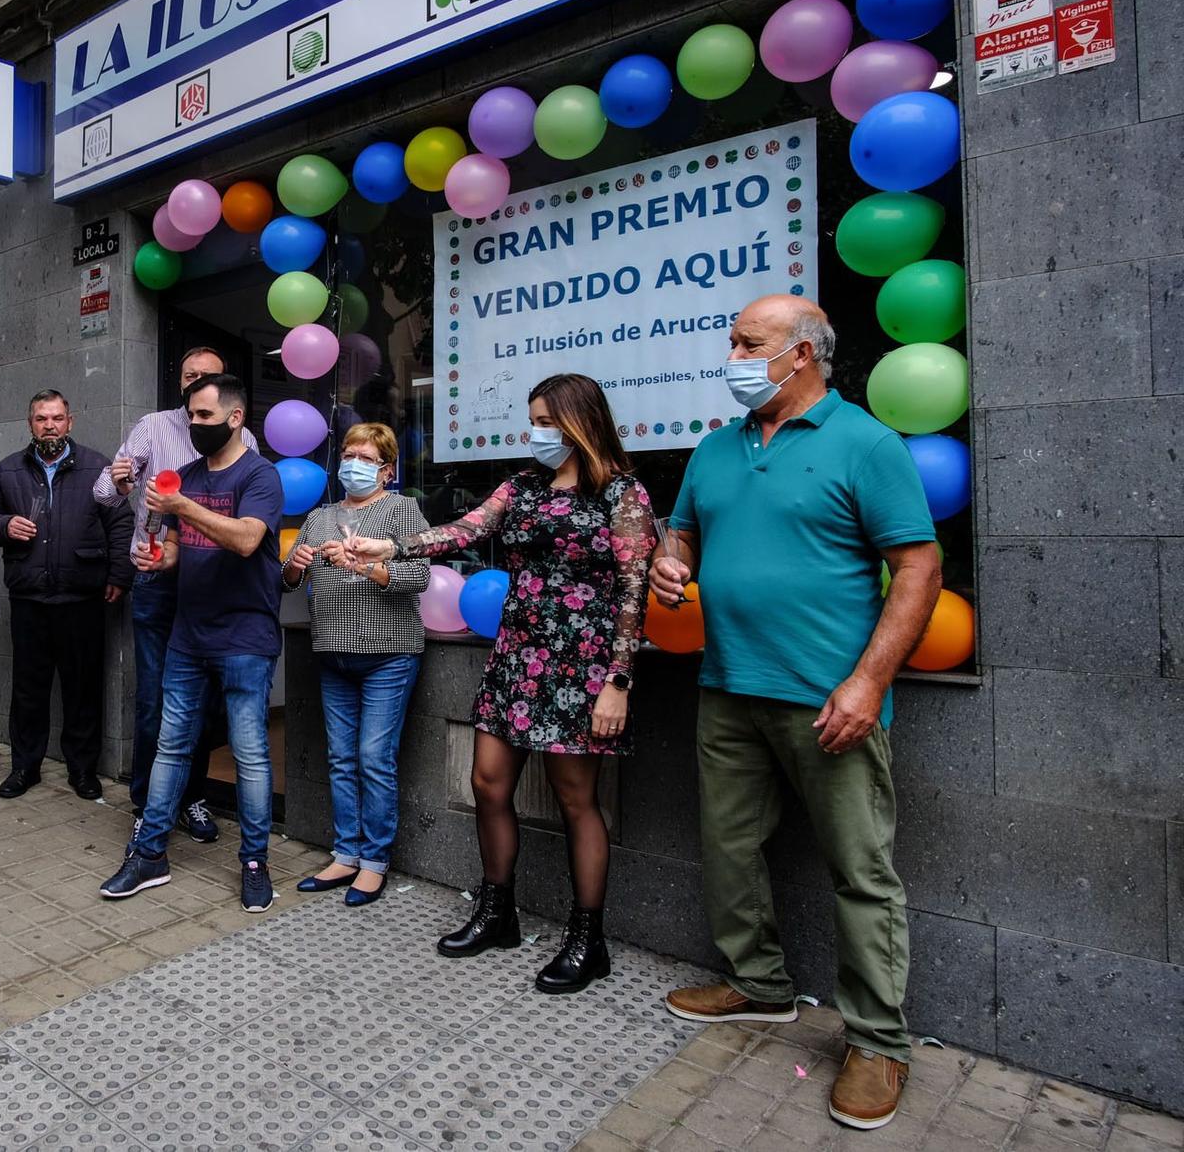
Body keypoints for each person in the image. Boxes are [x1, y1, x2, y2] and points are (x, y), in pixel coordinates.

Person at [650, 296, 938, 1132]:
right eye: (734, 340)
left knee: (861, 869)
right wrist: (673, 563)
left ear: (803, 354)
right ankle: (759, 985)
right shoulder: (716, 448)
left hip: (828, 698)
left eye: (750, 343)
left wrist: (869, 683)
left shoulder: (865, 444)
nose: (732, 354)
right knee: (728, 845)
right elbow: (682, 535)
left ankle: (880, 1041)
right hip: (728, 685)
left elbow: (916, 569)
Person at [346, 373, 653, 992]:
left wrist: (617, 681)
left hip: (582, 666)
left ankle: (586, 938)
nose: (535, 431)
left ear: (579, 422)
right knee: (487, 782)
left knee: (574, 800)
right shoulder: (522, 487)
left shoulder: (622, 495)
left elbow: (632, 592)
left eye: (545, 420)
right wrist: (393, 546)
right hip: (516, 655)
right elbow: (461, 531)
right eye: (532, 418)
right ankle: (497, 911)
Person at [100, 373, 284, 912]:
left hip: (245, 636)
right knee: (171, 744)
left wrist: (185, 509)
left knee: (249, 754)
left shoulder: (260, 475)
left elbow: (248, 539)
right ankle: (150, 852)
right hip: (188, 633)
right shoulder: (183, 475)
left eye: (204, 416)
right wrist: (160, 559)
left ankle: (254, 861)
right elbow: (179, 546)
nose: (193, 424)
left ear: (234, 418)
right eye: (190, 416)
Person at [283, 423, 430, 906]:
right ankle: (345, 854)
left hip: (388, 653)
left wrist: (361, 565)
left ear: (386, 470)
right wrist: (296, 565)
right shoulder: (321, 516)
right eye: (348, 454)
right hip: (333, 652)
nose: (353, 464)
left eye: (365, 458)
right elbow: (285, 582)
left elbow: (419, 575)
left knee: (373, 758)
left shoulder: (401, 508)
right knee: (341, 760)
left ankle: (374, 863)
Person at [0, 390, 132, 800]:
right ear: (30, 424)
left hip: (83, 597)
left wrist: (119, 574)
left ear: (70, 422)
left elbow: (121, 523)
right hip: (29, 599)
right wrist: (5, 524)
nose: (50, 425)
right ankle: (25, 768)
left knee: (82, 690)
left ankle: (83, 771)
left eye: (57, 418)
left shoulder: (98, 466)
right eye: (42, 418)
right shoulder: (8, 470)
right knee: (28, 690)